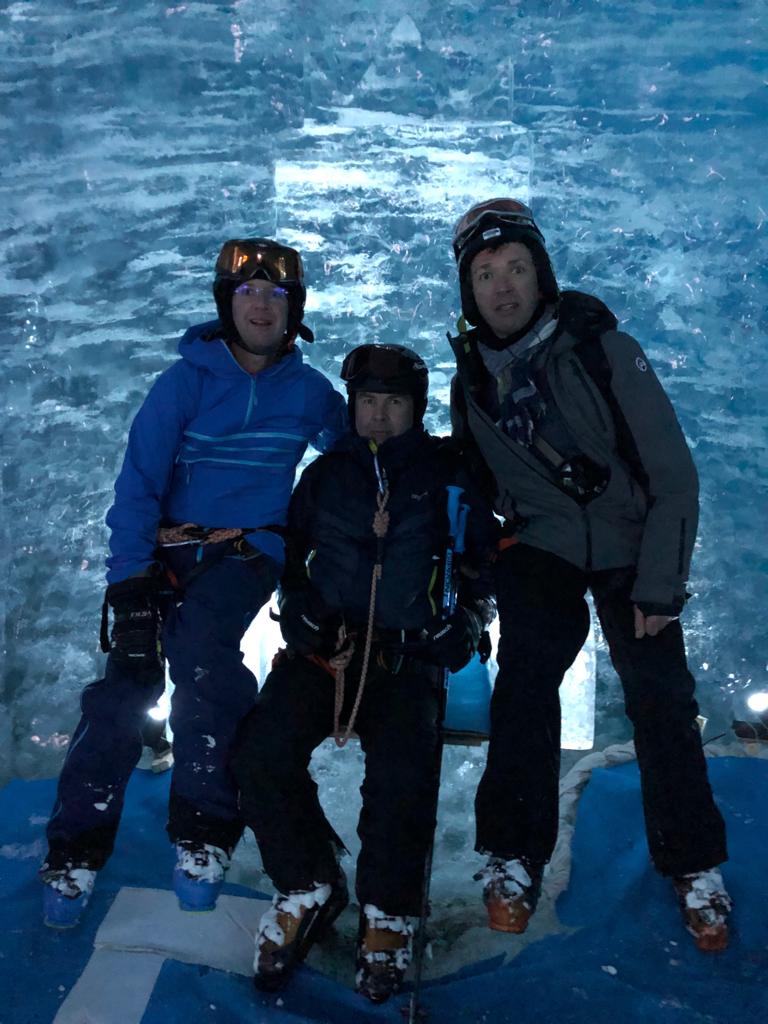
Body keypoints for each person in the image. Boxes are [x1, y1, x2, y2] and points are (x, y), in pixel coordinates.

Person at [447, 199, 731, 952]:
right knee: (528, 674)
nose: (503, 287)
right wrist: (482, 572)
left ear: (541, 274)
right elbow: (474, 484)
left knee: (660, 694)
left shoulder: (606, 350)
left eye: (516, 269)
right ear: (468, 290)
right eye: (485, 275)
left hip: (631, 540)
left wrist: (661, 588)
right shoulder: (472, 377)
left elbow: (674, 476)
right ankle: (512, 854)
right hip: (542, 545)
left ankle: (694, 862)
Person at [40, 238, 348, 928]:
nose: (262, 305)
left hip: (244, 555)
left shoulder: (309, 394)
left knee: (205, 657)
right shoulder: (184, 382)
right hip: (165, 552)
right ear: (225, 304)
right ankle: (75, 848)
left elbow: (360, 453)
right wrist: (129, 586)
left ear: (295, 310)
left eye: (276, 295)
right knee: (128, 680)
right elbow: (139, 485)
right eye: (247, 293)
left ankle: (204, 831)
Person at [231, 343, 497, 1003]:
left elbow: (480, 565)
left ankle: (389, 910)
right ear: (353, 408)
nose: (379, 417)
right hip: (327, 653)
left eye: (394, 404)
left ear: (416, 409)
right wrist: (298, 618)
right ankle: (307, 881)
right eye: (369, 403)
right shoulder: (325, 476)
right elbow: (292, 562)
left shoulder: (448, 476)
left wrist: (462, 627)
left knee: (404, 782)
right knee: (261, 754)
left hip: (406, 657)